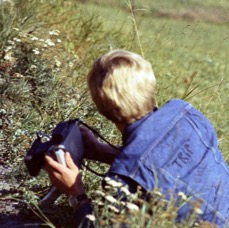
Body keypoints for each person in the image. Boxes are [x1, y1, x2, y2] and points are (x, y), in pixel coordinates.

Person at [45, 50, 229, 227]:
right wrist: (102, 151)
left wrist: (75, 193)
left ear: (102, 110)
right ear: (150, 86)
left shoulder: (121, 180)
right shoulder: (185, 112)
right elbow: (169, 164)